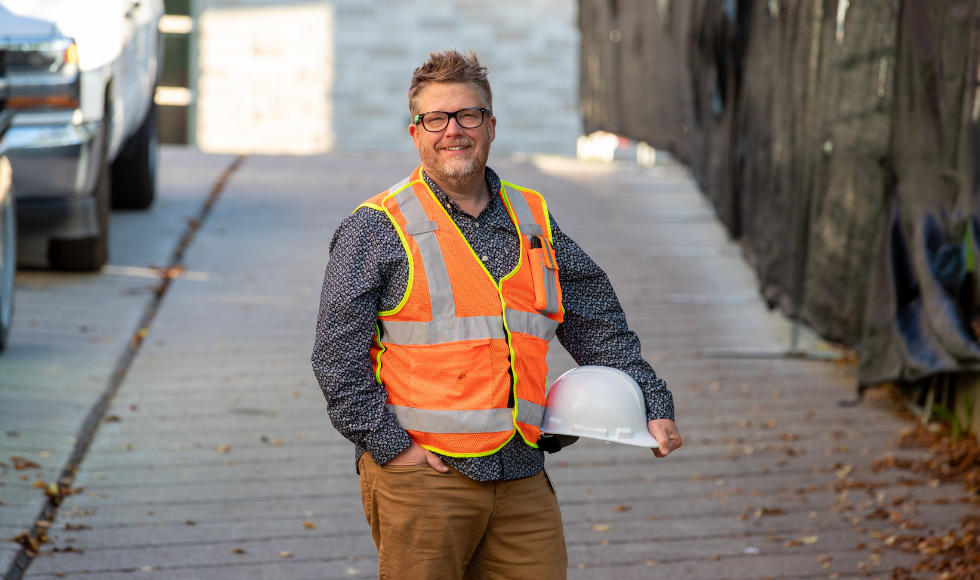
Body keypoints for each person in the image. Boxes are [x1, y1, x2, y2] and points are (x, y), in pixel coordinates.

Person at [312, 49, 682, 580]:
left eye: (467, 115)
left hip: (522, 470)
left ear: (490, 126)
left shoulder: (533, 217)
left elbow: (595, 319)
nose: (453, 131)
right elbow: (335, 357)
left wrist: (650, 400)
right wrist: (394, 448)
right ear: (416, 132)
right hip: (427, 475)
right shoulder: (374, 228)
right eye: (435, 119)